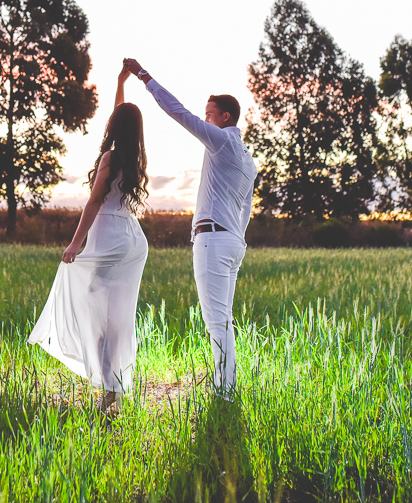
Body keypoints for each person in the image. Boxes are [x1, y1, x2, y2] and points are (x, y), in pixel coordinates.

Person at [122, 57, 256, 400]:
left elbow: (179, 113)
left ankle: (224, 394)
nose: (206, 118)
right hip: (232, 242)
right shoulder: (247, 158)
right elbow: (246, 208)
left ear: (225, 117)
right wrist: (238, 240)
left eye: (210, 114)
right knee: (223, 320)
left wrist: (143, 76)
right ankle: (225, 388)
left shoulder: (223, 141)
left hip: (212, 241)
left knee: (217, 322)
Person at [28, 67, 150, 411]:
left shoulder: (111, 158)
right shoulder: (135, 157)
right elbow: (122, 117)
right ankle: (114, 384)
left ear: (113, 126)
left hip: (109, 237)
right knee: (117, 315)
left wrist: (75, 243)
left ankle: (111, 387)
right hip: (132, 240)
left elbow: (95, 201)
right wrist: (120, 83)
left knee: (95, 312)